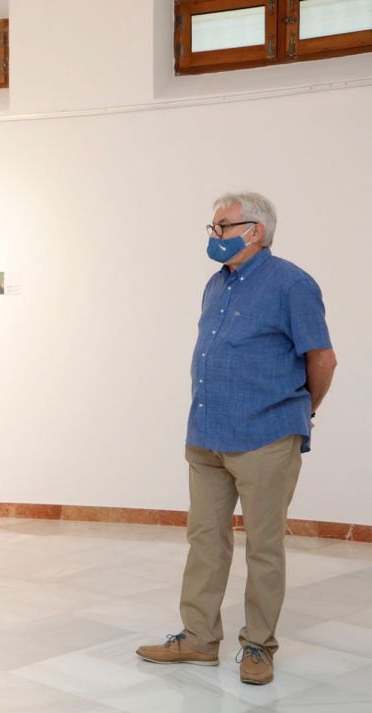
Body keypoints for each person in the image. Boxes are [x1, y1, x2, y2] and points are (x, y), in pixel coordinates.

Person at [136, 193, 336, 684]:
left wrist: (301, 411)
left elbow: (323, 360)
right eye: (213, 226)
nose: (214, 235)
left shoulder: (292, 284)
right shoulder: (216, 284)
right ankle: (199, 639)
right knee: (205, 540)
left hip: (266, 436)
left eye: (223, 226)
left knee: (264, 546)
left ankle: (258, 646)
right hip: (207, 435)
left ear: (256, 231)